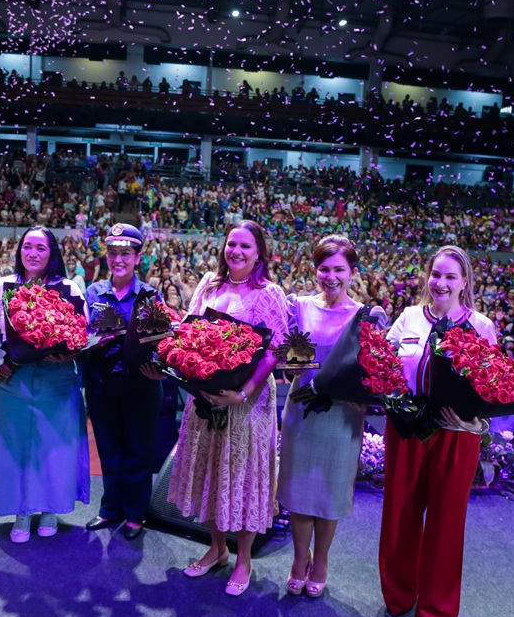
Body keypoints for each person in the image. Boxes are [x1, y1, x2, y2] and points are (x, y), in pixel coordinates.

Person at [157, 221, 287, 597]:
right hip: (206, 397)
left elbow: (273, 351)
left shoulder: (270, 294)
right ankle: (216, 549)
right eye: (231, 244)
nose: (237, 251)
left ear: (259, 253)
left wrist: (243, 393)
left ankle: (243, 558)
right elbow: (190, 333)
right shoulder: (209, 285)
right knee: (213, 472)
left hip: (248, 404)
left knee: (242, 477)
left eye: (245, 246)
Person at [380, 245, 497, 617]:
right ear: (426, 277)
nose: (441, 283)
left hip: (456, 435)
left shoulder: (481, 325)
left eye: (450, 276)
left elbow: (493, 385)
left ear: (464, 282)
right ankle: (399, 595)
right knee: (400, 515)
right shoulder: (409, 318)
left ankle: (437, 610)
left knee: (447, 523)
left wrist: (476, 421)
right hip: (408, 431)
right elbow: (383, 366)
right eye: (436, 274)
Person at [278, 235, 386, 597]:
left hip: (342, 416)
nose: (331, 276)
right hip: (301, 411)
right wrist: (289, 362)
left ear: (353, 272)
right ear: (315, 270)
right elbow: (292, 365)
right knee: (298, 490)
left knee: (329, 491)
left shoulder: (366, 315)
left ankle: (321, 560)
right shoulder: (299, 306)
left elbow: (375, 369)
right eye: (324, 269)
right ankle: (299, 558)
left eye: (339, 269)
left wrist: (367, 396)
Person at [0, 227, 90, 543]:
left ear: (51, 253)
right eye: (27, 246)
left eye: (40, 248)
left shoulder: (68, 288)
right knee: (14, 448)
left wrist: (70, 353)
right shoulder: (1, 287)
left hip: (57, 380)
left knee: (54, 447)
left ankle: (51, 508)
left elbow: (81, 334)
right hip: (11, 382)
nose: (33, 253)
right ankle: (21, 512)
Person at [83, 224, 162, 541]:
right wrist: (92, 343)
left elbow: (160, 342)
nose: (118, 259)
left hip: (140, 384)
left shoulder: (149, 295)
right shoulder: (93, 293)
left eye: (125, 253)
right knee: (108, 448)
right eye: (113, 253)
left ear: (138, 257)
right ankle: (110, 508)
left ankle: (135, 513)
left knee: (138, 450)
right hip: (101, 383)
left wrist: (159, 368)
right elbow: (80, 335)